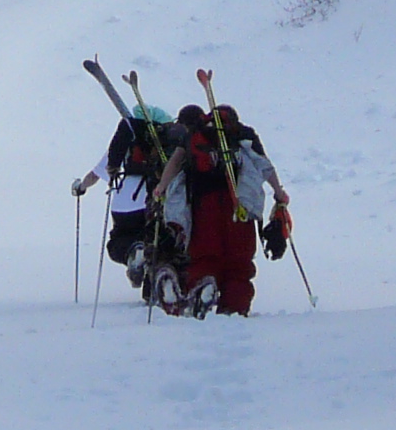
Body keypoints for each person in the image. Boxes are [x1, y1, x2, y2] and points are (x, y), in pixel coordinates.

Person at [156, 101, 290, 317]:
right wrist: (279, 192)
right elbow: (264, 165)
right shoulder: (244, 134)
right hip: (239, 205)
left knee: (204, 256)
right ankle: (234, 307)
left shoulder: (195, 134)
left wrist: (161, 187)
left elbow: (175, 162)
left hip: (202, 204)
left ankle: (202, 288)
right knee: (239, 261)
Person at [72, 100, 175, 289]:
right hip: (152, 201)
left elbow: (96, 174)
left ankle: (132, 252)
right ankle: (153, 286)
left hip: (122, 204)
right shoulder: (164, 144)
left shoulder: (124, 143)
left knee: (118, 243)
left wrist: (81, 187)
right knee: (155, 242)